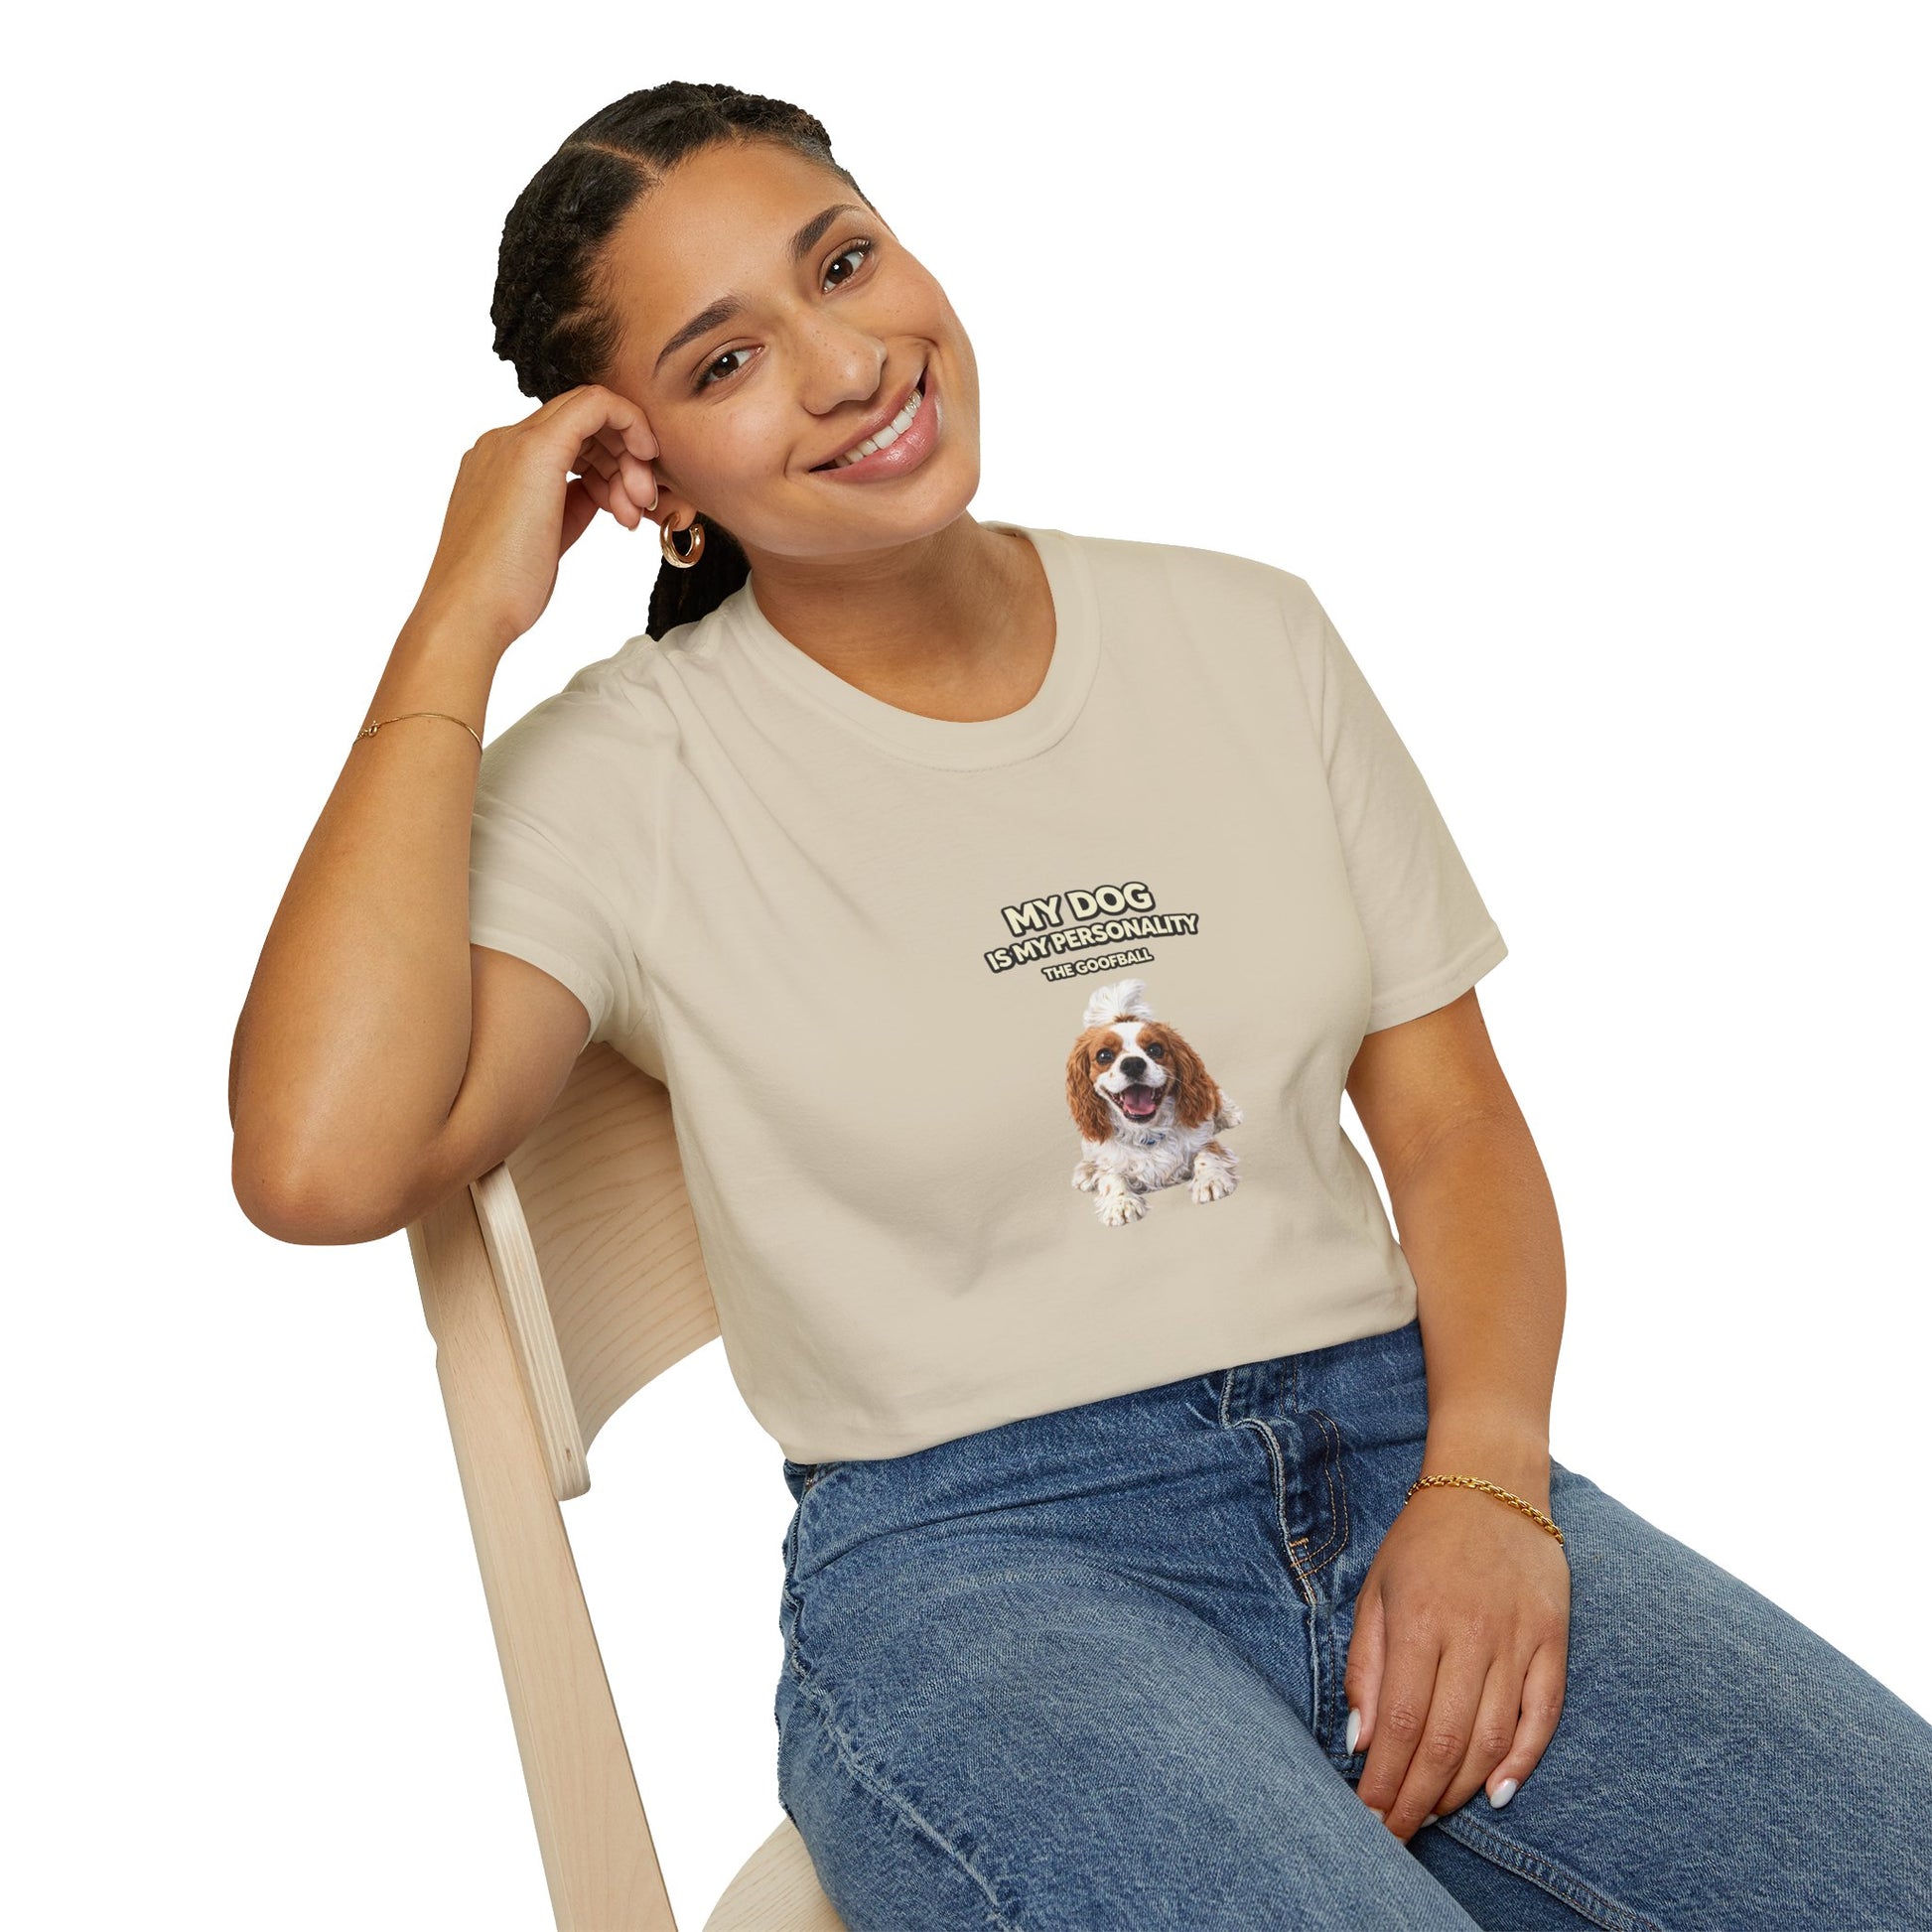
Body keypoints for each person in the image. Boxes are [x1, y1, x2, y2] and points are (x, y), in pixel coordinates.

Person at [228, 80, 1932, 1931]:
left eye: (843, 264)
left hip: (1405, 1446)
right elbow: (320, 1161)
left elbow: (1451, 1127)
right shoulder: (626, 776)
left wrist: (1489, 1482)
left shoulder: (1249, 633)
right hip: (981, 1565)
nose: (847, 365)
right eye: (726, 361)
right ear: (648, 479)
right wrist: (457, 618)